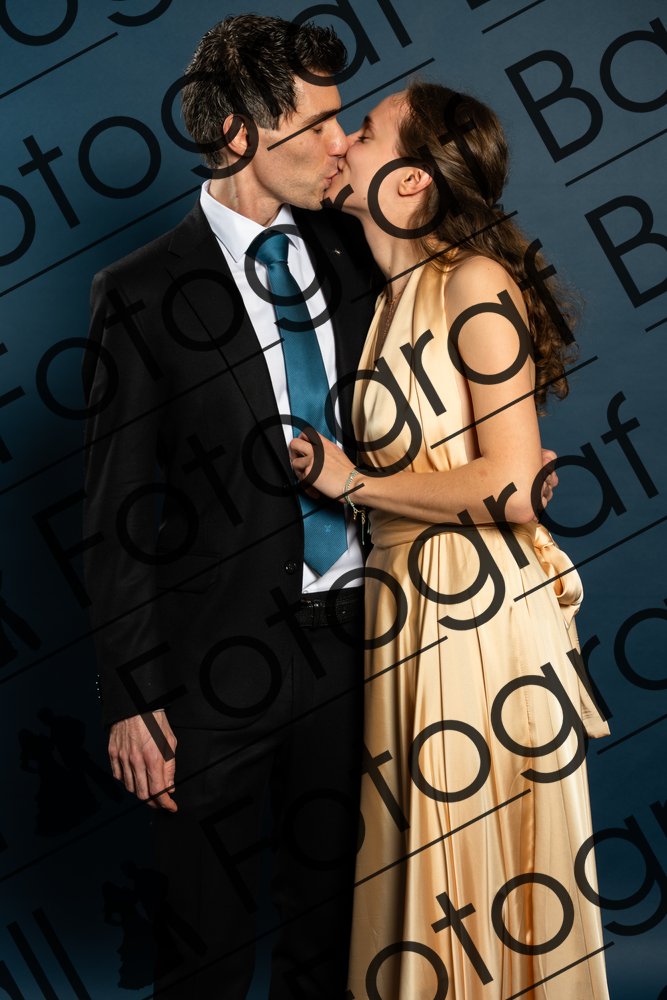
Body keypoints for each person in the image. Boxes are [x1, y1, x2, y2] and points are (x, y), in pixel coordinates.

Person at [290, 83, 610, 998]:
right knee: (419, 864)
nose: (341, 143)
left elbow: (509, 485)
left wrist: (350, 482)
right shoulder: (389, 295)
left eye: (363, 131)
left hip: (474, 616)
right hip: (407, 605)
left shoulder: (471, 281)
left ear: (410, 182)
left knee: (469, 865)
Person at [82, 15, 380, 998]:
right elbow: (118, 507)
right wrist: (132, 698)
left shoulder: (358, 254)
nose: (341, 142)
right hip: (214, 665)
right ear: (242, 134)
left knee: (331, 936)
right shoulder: (139, 290)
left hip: (357, 645)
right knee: (202, 944)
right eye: (320, 124)